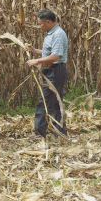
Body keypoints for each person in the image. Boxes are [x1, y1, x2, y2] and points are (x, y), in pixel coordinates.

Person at [26, 9, 68, 137]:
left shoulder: (58, 34)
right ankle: (59, 133)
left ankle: (39, 134)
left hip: (55, 72)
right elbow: (49, 53)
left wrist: (37, 61)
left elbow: (55, 57)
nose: (40, 26)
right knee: (55, 103)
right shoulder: (50, 33)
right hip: (50, 70)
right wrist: (35, 51)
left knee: (43, 102)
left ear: (48, 22)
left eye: (41, 24)